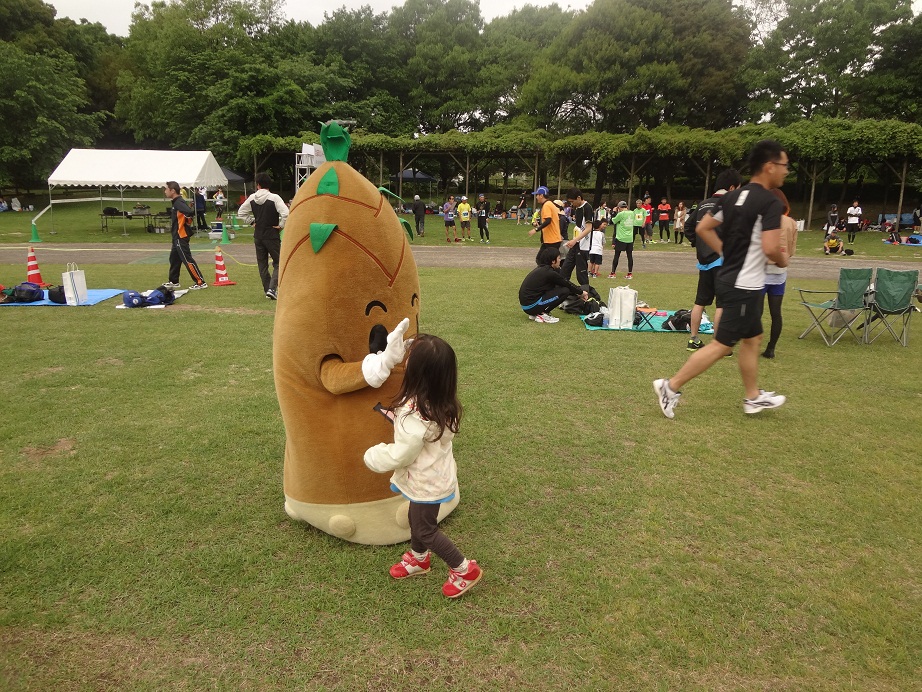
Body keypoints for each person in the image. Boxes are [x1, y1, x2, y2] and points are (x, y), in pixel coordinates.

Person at [653, 140, 789, 418]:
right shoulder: (769, 202)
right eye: (784, 166)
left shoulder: (731, 198)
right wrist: (783, 259)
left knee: (753, 338)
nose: (786, 171)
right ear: (769, 166)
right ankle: (670, 386)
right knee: (722, 345)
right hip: (744, 284)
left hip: (734, 278)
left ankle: (752, 397)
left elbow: (703, 227)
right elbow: (771, 248)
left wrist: (725, 252)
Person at [363, 334, 483, 599]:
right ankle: (419, 559)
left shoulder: (414, 414)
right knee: (415, 521)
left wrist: (374, 456)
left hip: (425, 482)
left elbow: (401, 455)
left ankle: (464, 569)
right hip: (436, 475)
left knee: (425, 529)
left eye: (409, 359)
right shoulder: (442, 402)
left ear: (417, 372)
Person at [684, 169, 743, 351]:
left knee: (700, 301)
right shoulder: (730, 205)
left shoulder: (702, 205)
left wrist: (698, 244)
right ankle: (719, 345)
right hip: (722, 261)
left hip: (704, 262)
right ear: (731, 187)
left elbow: (688, 226)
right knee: (722, 304)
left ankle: (693, 339)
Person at [238, 173, 289, 300]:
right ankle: (272, 289)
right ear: (269, 185)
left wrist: (251, 222)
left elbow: (241, 212)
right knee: (279, 262)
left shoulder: (252, 198)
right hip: (271, 234)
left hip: (258, 235)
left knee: (262, 264)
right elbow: (286, 213)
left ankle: (268, 289)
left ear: (258, 185)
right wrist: (281, 225)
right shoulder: (274, 197)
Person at [762, 188, 798, 359]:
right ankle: (771, 348)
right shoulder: (791, 222)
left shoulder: (763, 220)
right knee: (776, 313)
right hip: (780, 272)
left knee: (756, 312)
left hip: (761, 271)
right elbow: (792, 250)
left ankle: (753, 343)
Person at [519, 245, 590, 323]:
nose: (560, 260)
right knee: (565, 291)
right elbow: (567, 284)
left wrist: (577, 293)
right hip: (530, 306)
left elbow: (561, 283)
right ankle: (542, 314)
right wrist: (581, 292)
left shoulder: (542, 269)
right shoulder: (549, 273)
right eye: (559, 258)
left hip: (527, 306)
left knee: (561, 289)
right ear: (553, 261)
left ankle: (536, 313)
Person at [163, 181, 207, 290]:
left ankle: (200, 282)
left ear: (172, 191)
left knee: (187, 259)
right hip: (176, 236)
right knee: (174, 259)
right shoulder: (176, 202)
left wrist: (186, 225)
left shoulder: (178, 202)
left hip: (180, 236)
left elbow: (189, 212)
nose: (165, 191)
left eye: (166, 189)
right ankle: (174, 281)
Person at [560, 188, 594, 284]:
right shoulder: (577, 208)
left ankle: (587, 295)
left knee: (581, 274)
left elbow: (588, 228)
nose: (572, 204)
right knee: (564, 270)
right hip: (576, 244)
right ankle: (562, 293)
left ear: (579, 198)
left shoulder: (587, 208)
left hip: (583, 245)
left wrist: (575, 240)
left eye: (572, 201)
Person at [528, 186, 563, 260]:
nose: (536, 197)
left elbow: (548, 220)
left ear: (541, 195)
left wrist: (536, 229)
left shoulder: (546, 205)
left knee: (542, 260)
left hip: (551, 240)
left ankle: (557, 271)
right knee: (544, 260)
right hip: (552, 239)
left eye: (537, 195)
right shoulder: (549, 204)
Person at [608, 200, 634, 279]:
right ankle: (629, 273)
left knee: (617, 255)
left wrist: (613, 212)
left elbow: (613, 221)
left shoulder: (621, 214)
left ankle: (613, 273)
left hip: (621, 237)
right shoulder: (632, 213)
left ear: (619, 208)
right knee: (629, 256)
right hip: (629, 238)